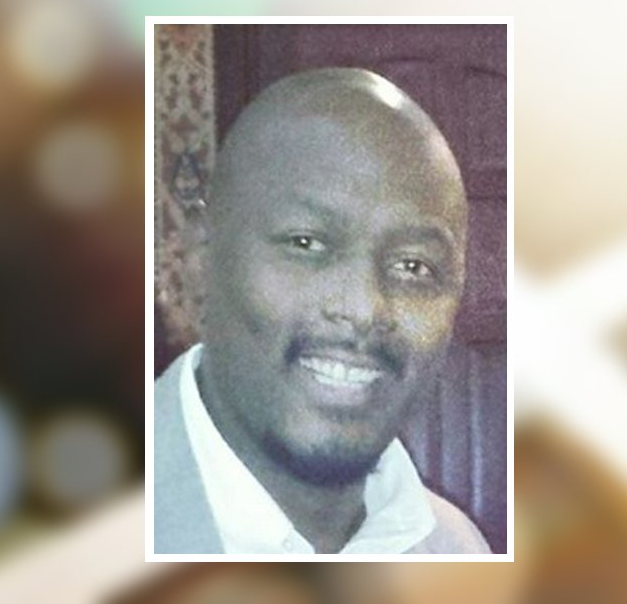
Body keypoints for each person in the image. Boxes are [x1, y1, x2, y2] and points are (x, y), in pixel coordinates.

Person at [154, 67, 490, 554]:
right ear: (198, 267)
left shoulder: (454, 548)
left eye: (413, 266)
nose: (362, 309)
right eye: (306, 243)